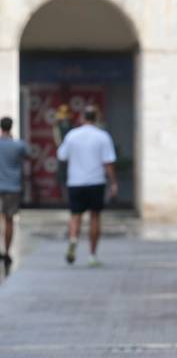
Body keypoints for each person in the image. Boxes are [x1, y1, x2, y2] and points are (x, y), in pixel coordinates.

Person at [56, 105, 118, 266]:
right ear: (96, 118)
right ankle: (92, 255)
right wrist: (114, 183)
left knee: (75, 215)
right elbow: (109, 163)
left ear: (82, 118)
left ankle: (73, 239)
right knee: (95, 217)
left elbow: (62, 155)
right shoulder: (103, 136)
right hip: (96, 181)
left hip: (75, 182)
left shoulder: (72, 135)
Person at [0, 116, 30, 274]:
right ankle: (7, 251)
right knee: (9, 220)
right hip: (12, 186)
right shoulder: (18, 145)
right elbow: (28, 156)